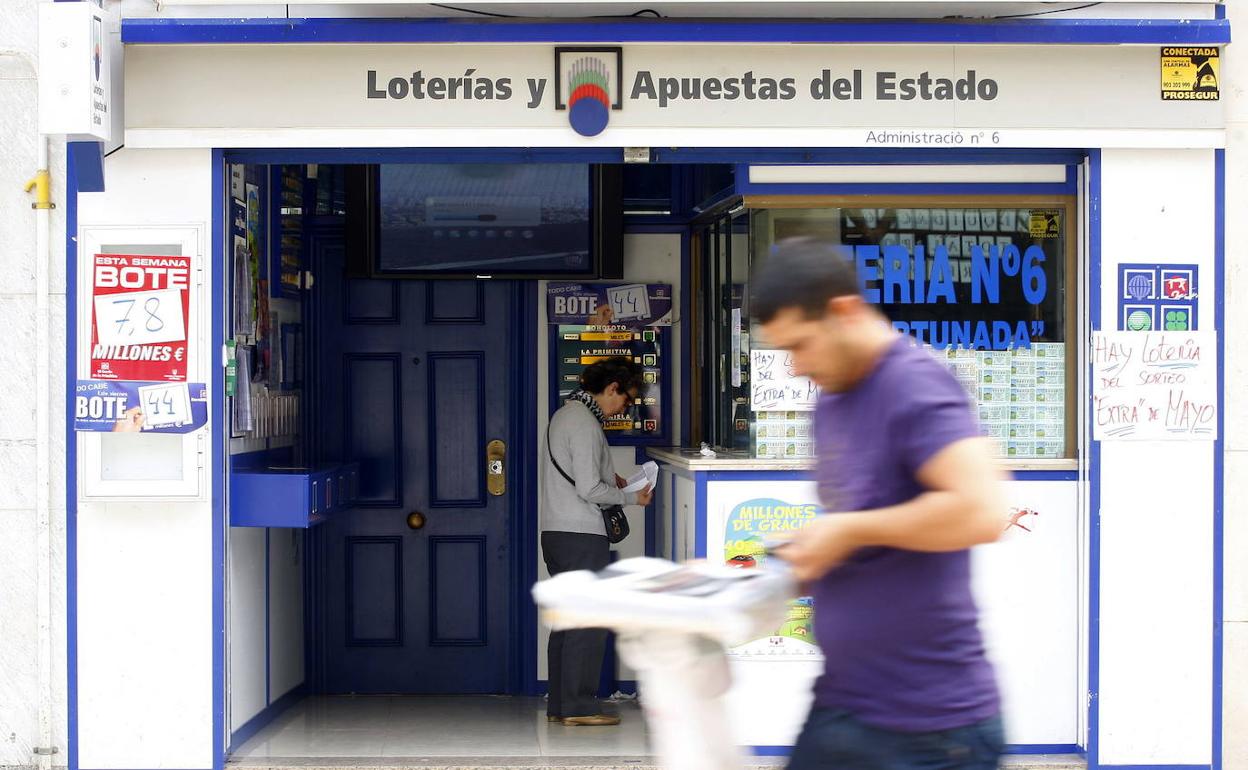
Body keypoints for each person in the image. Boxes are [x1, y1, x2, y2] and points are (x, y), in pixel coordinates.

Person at [751, 237, 1008, 770]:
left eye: (799, 345)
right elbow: (859, 526)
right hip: (845, 704)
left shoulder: (914, 383)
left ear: (844, 312)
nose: (794, 367)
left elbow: (981, 511)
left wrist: (848, 532)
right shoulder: (832, 400)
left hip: (932, 730)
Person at [542, 356, 654, 727]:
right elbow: (590, 489)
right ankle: (580, 706)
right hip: (580, 533)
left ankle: (561, 704)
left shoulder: (565, 415)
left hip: (557, 531)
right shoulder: (585, 423)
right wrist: (631, 497)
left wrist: (613, 479)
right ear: (611, 389)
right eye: (626, 399)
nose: (625, 407)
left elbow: (582, 476)